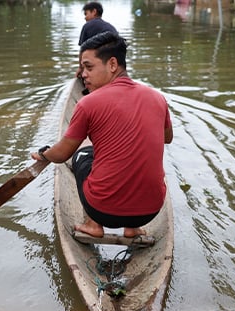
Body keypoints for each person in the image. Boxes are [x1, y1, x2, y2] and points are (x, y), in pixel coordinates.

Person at [32, 32, 173, 238]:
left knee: (82, 155)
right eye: (82, 69)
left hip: (103, 211)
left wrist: (44, 154)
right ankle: (132, 230)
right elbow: (167, 138)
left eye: (89, 67)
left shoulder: (88, 103)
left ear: (112, 64)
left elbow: (62, 154)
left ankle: (93, 225)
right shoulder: (157, 98)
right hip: (149, 212)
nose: (83, 74)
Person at [76, 2, 117, 79]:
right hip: (113, 63)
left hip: (98, 61)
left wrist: (80, 68)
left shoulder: (87, 26)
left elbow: (83, 49)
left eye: (86, 14)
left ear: (94, 12)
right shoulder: (111, 27)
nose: (85, 17)